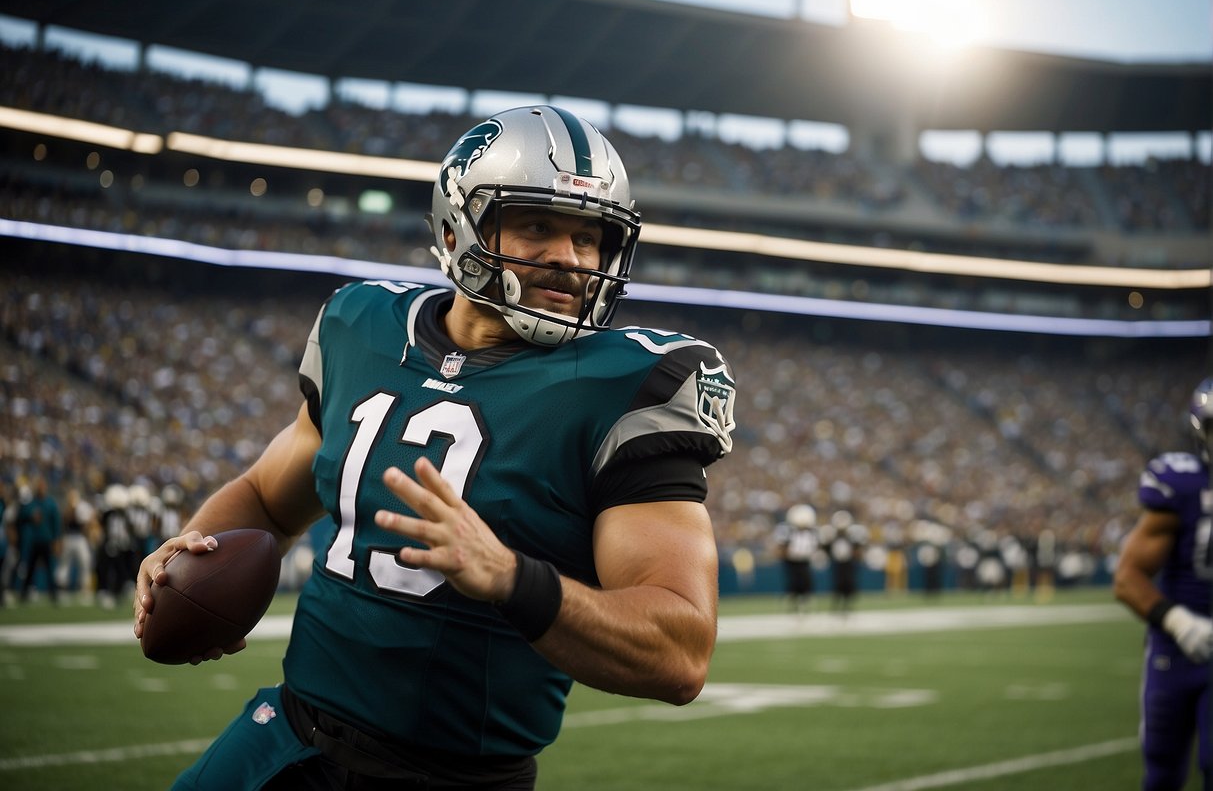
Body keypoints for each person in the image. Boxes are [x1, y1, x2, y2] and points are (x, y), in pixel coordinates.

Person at [134, 105, 737, 791]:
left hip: (449, 779)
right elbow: (267, 500)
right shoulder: (361, 327)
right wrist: (188, 546)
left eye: (590, 237)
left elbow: (679, 653)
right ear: (458, 227)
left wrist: (511, 577)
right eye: (538, 226)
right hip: (284, 735)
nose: (570, 260)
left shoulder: (626, 388)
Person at [1113, 376, 1212, 791]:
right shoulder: (1182, 485)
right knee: (1161, 771)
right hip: (1174, 650)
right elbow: (1126, 577)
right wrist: (1179, 622)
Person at [17, 476, 61, 604]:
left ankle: (53, 594)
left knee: (49, 568)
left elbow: (56, 524)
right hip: (35, 541)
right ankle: (24, 593)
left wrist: (56, 540)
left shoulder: (50, 503)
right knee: (30, 568)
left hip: (47, 541)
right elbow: (22, 516)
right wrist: (31, 516)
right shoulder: (31, 503)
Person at [772, 503, 818, 613]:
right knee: (793, 583)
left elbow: (814, 547)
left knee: (806, 582)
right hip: (791, 561)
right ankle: (792, 603)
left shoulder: (812, 532)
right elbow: (781, 547)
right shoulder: (787, 531)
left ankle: (804, 603)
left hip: (804, 561)